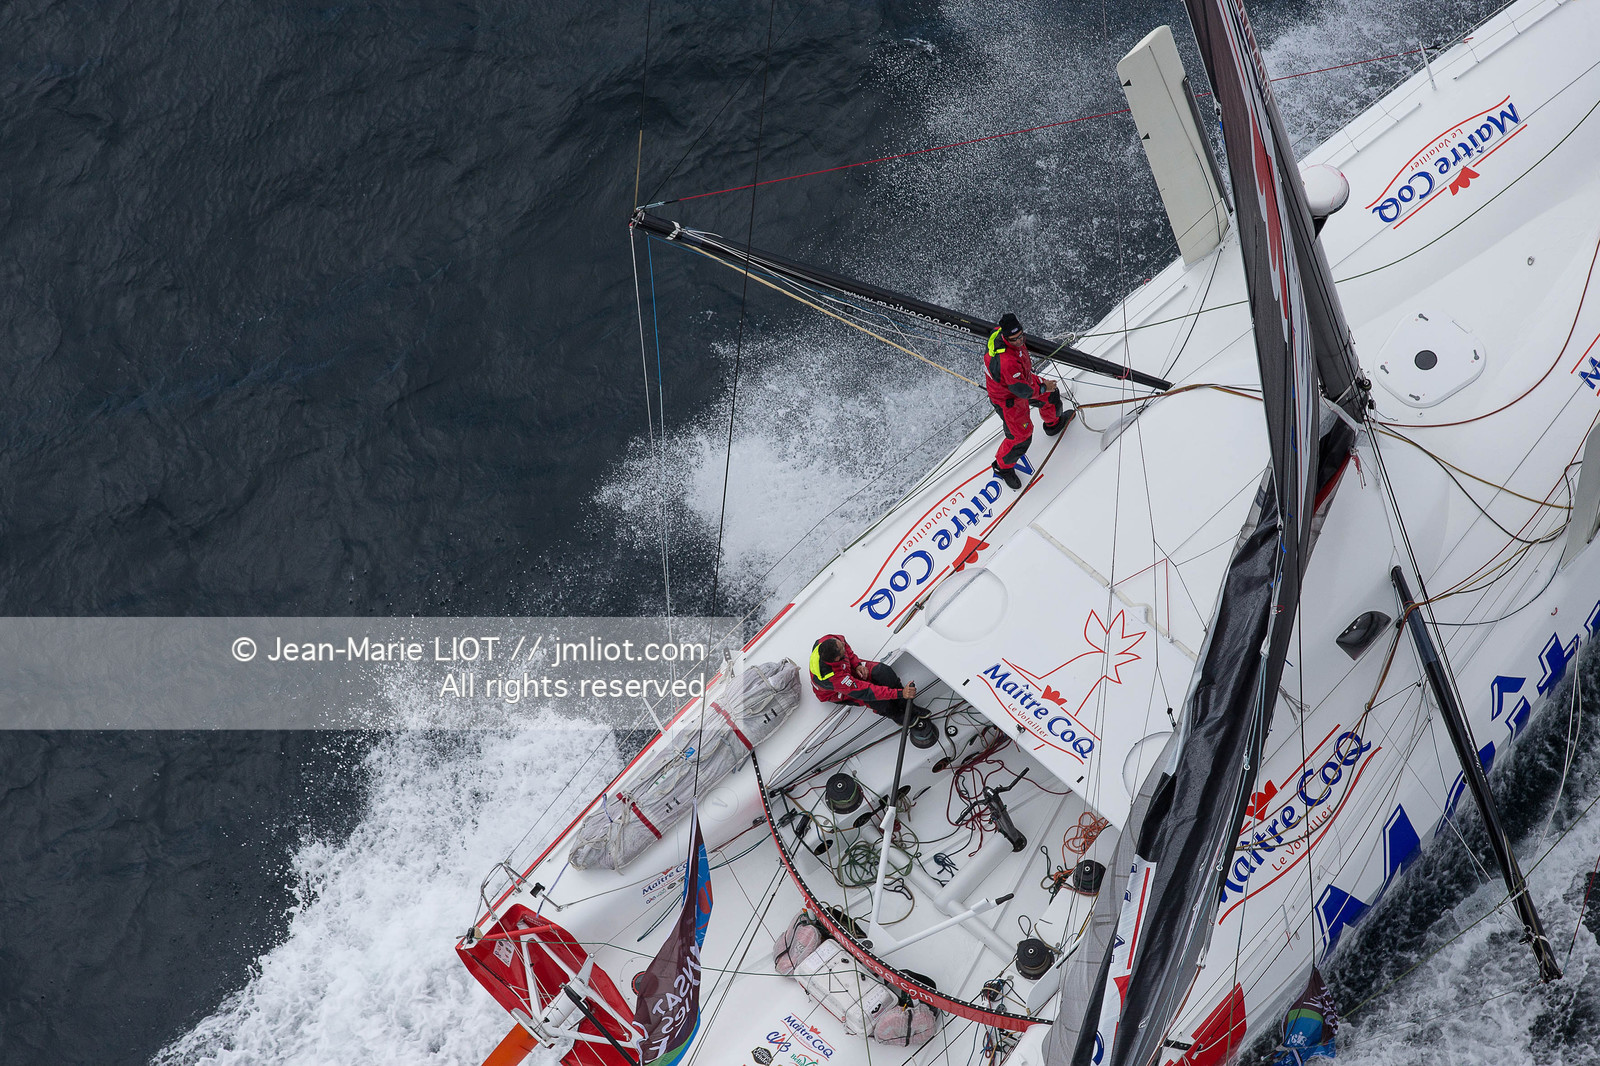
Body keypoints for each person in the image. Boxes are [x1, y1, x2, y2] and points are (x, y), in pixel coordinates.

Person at [984, 313, 1073, 490]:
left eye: (1021, 336)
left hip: (1022, 380)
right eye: (1014, 339)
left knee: (1052, 396)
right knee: (1021, 437)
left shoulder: (1000, 333)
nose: (1020, 341)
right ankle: (1002, 467)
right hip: (1009, 399)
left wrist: (1045, 388)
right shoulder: (1007, 361)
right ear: (1005, 337)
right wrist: (1042, 387)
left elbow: (1024, 385)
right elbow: (1022, 391)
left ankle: (1053, 425)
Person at [809, 634, 921, 726]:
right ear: (837, 658)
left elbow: (845, 646)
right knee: (874, 699)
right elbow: (867, 692)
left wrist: (857, 665)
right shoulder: (832, 678)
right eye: (841, 648)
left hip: (846, 669)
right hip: (837, 690)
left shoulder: (830, 640)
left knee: (882, 671)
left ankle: (907, 705)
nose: (843, 644)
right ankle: (897, 715)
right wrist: (901, 693)